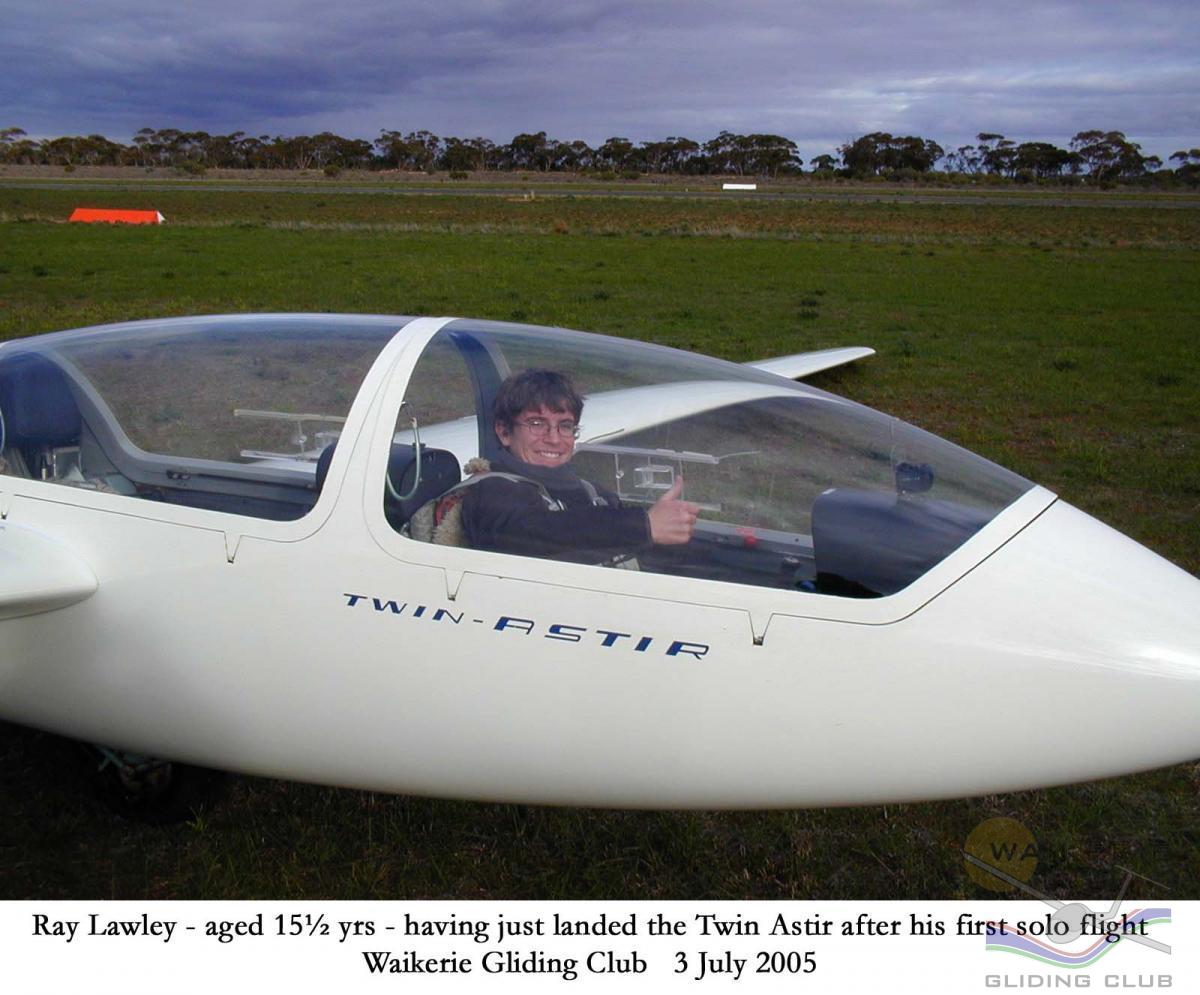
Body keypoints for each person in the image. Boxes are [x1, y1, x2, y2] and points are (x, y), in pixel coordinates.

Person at [458, 369, 698, 563]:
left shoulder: (594, 494)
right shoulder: (490, 492)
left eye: (565, 426)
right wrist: (642, 526)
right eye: (537, 423)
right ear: (504, 432)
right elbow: (531, 535)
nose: (554, 438)